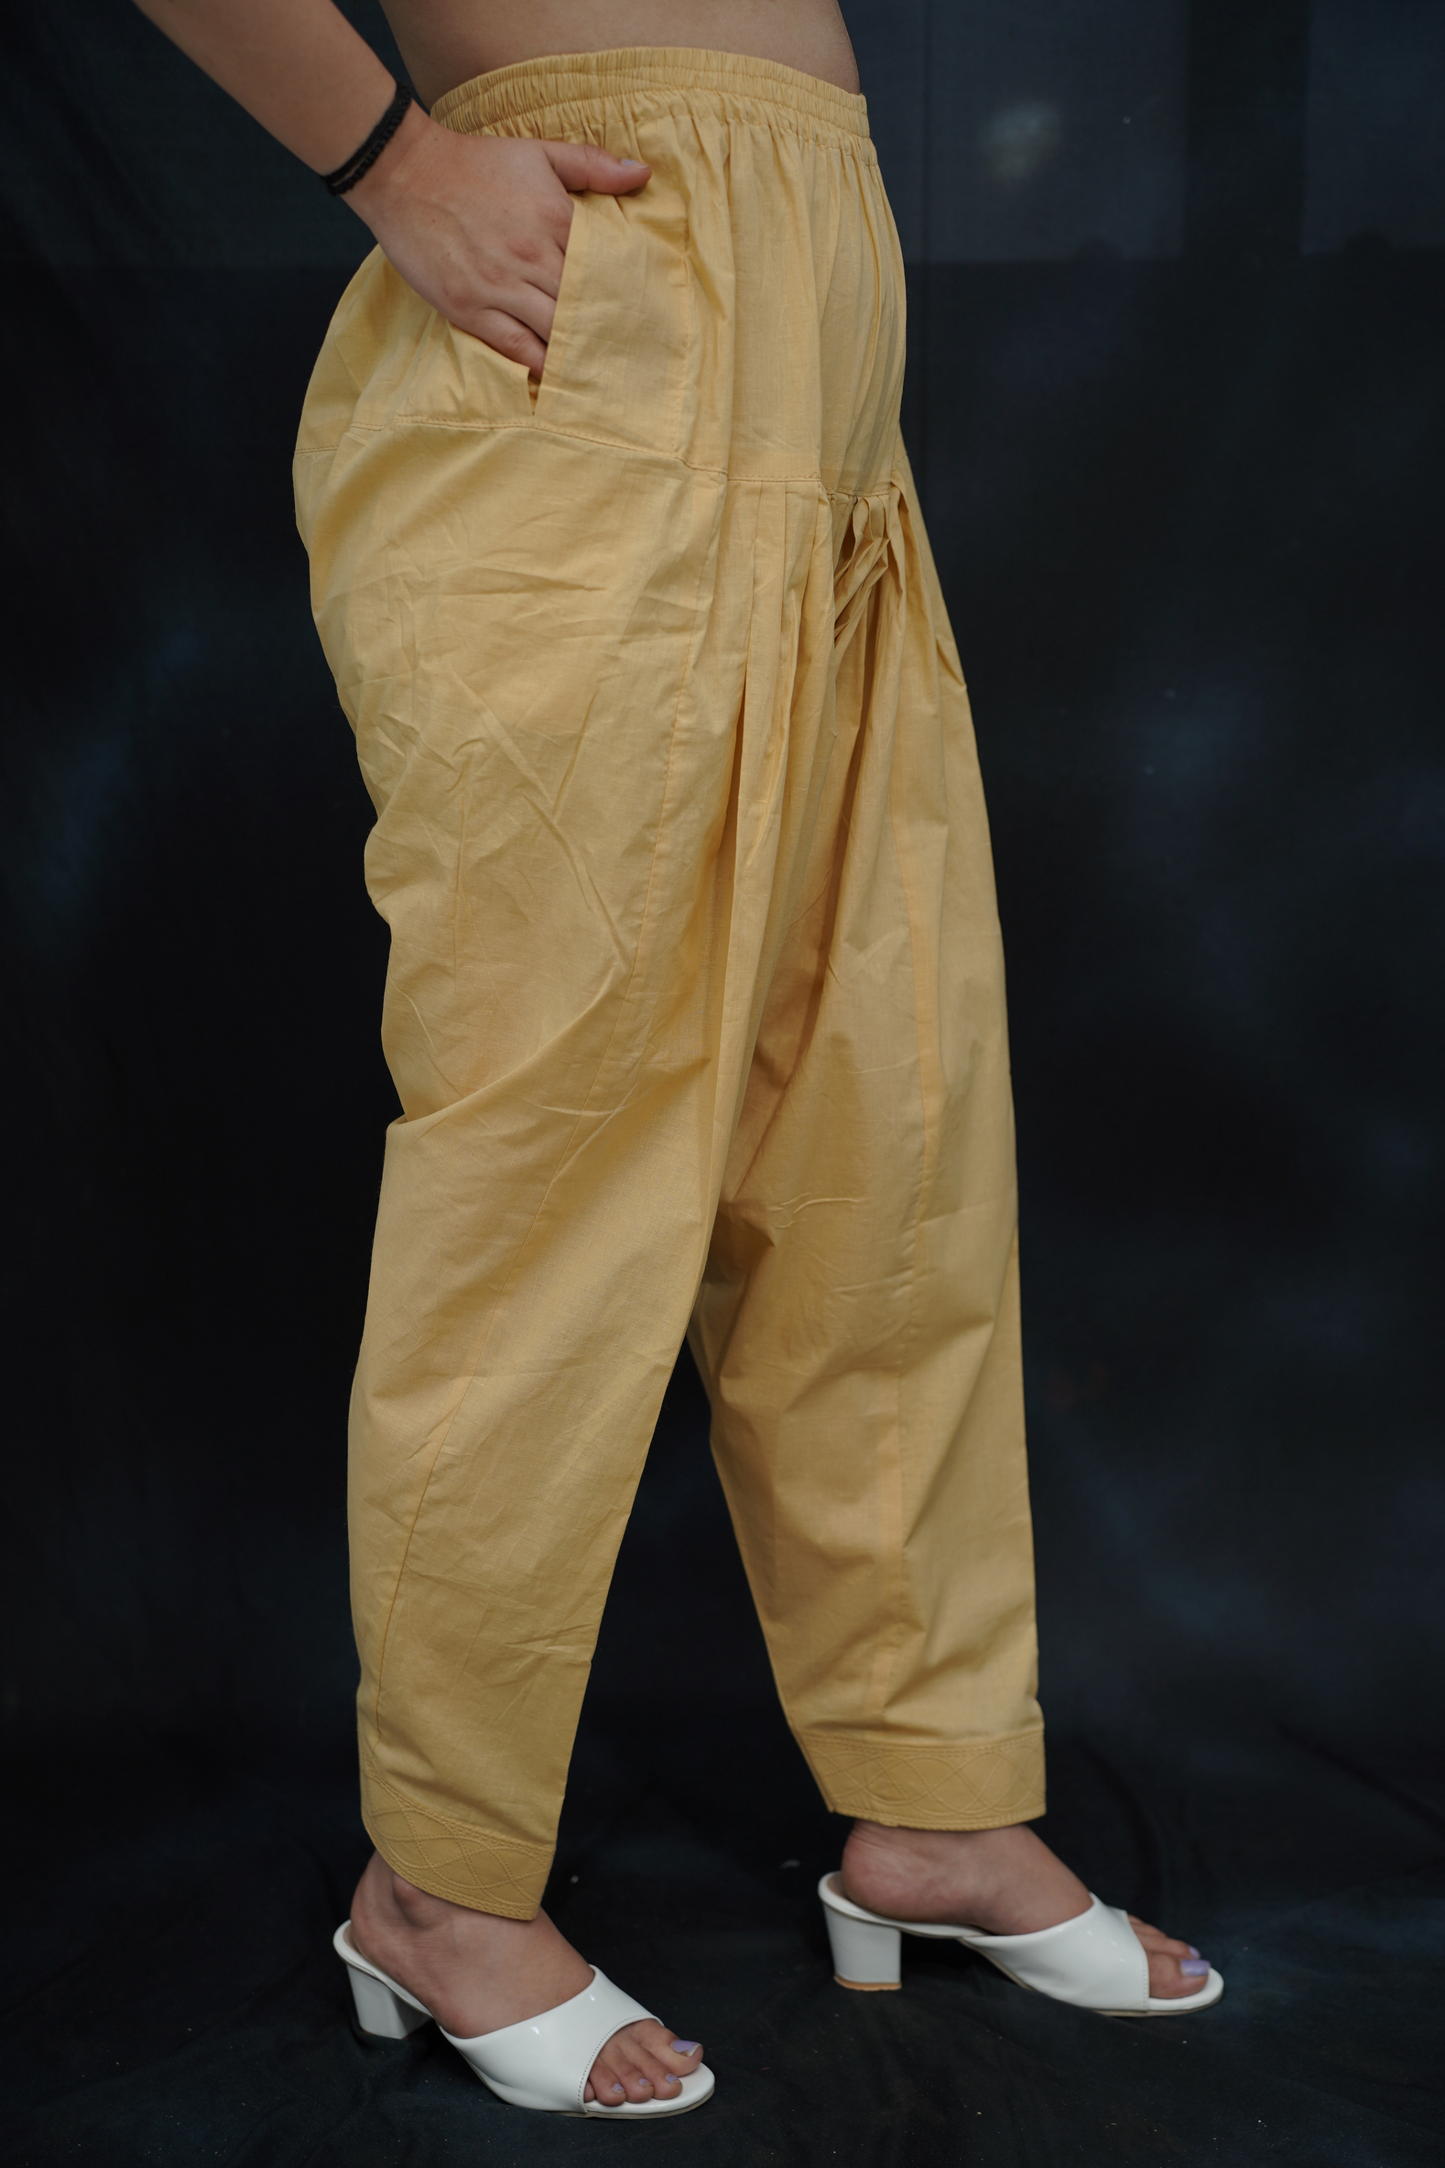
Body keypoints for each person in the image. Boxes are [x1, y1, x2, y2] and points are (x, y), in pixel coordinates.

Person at [132, 0, 1221, 2120]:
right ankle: (438, 1886)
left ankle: (931, 1797)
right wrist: (394, 164)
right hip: (596, 292)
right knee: (550, 1174)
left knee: (879, 1142)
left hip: (814, 349)